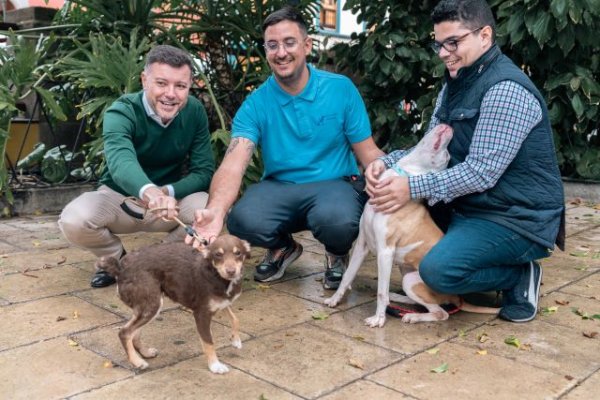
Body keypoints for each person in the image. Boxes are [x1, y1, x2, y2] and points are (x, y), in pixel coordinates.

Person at [365, 0, 565, 322]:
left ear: (484, 36)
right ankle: (467, 259)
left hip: (514, 217)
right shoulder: (455, 83)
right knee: (385, 209)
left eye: (453, 42)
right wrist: (387, 163)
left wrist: (410, 187)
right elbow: (428, 149)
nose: (444, 53)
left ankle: (519, 275)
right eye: (439, 44)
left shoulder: (506, 89)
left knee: (438, 271)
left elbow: (480, 174)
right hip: (469, 205)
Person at [188, 6, 383, 290]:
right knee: (242, 220)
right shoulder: (256, 104)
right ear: (265, 50)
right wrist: (216, 211)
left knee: (337, 221)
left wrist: (390, 173)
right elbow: (233, 163)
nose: (281, 52)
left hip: (334, 185)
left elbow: (369, 152)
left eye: (289, 43)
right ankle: (283, 248)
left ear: (306, 45)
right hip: (280, 187)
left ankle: (337, 253)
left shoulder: (340, 89)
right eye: (272, 45)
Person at [59, 44, 215, 288]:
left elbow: (204, 171)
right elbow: (120, 161)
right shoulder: (122, 110)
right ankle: (115, 260)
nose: (171, 94)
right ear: (144, 80)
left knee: (211, 210)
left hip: (167, 204)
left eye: (180, 86)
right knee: (74, 219)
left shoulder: (194, 111)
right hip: (120, 200)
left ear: (189, 87)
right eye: (161, 83)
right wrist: (149, 191)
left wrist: (166, 193)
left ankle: (157, 261)